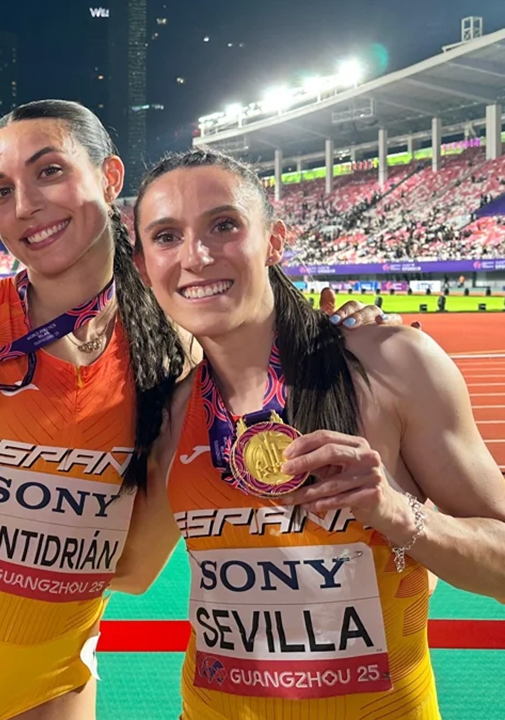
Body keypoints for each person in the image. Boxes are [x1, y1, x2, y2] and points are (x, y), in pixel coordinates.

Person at [0, 100, 394, 720]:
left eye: (49, 171)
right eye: (1, 191)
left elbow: (132, 571)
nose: (24, 205)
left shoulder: (182, 343)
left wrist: (348, 332)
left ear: (109, 178)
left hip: (52, 678)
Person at [133, 148, 505, 719]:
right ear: (143, 267)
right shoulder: (172, 412)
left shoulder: (390, 364)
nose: (196, 256)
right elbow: (128, 572)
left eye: (224, 225)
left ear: (274, 240)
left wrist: (398, 514)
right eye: (166, 236)